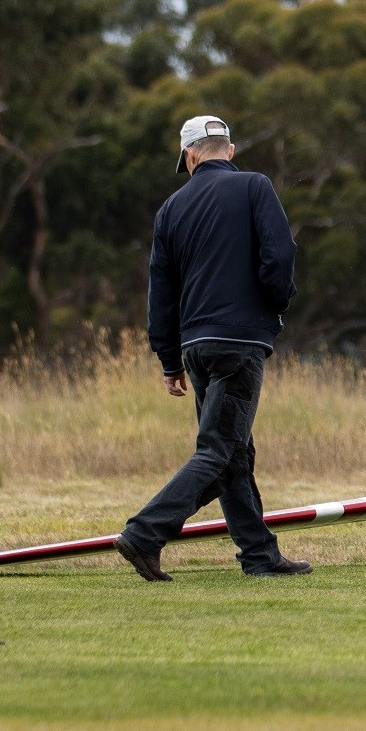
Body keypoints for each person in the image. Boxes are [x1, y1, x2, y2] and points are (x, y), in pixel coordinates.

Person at [114, 115, 311, 581]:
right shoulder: (255, 187)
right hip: (239, 342)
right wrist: (275, 304)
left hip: (195, 347)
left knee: (233, 450)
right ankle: (145, 533)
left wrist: (168, 358)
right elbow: (279, 258)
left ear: (190, 155)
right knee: (220, 450)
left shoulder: (171, 209)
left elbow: (160, 293)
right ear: (231, 149)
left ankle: (259, 555)